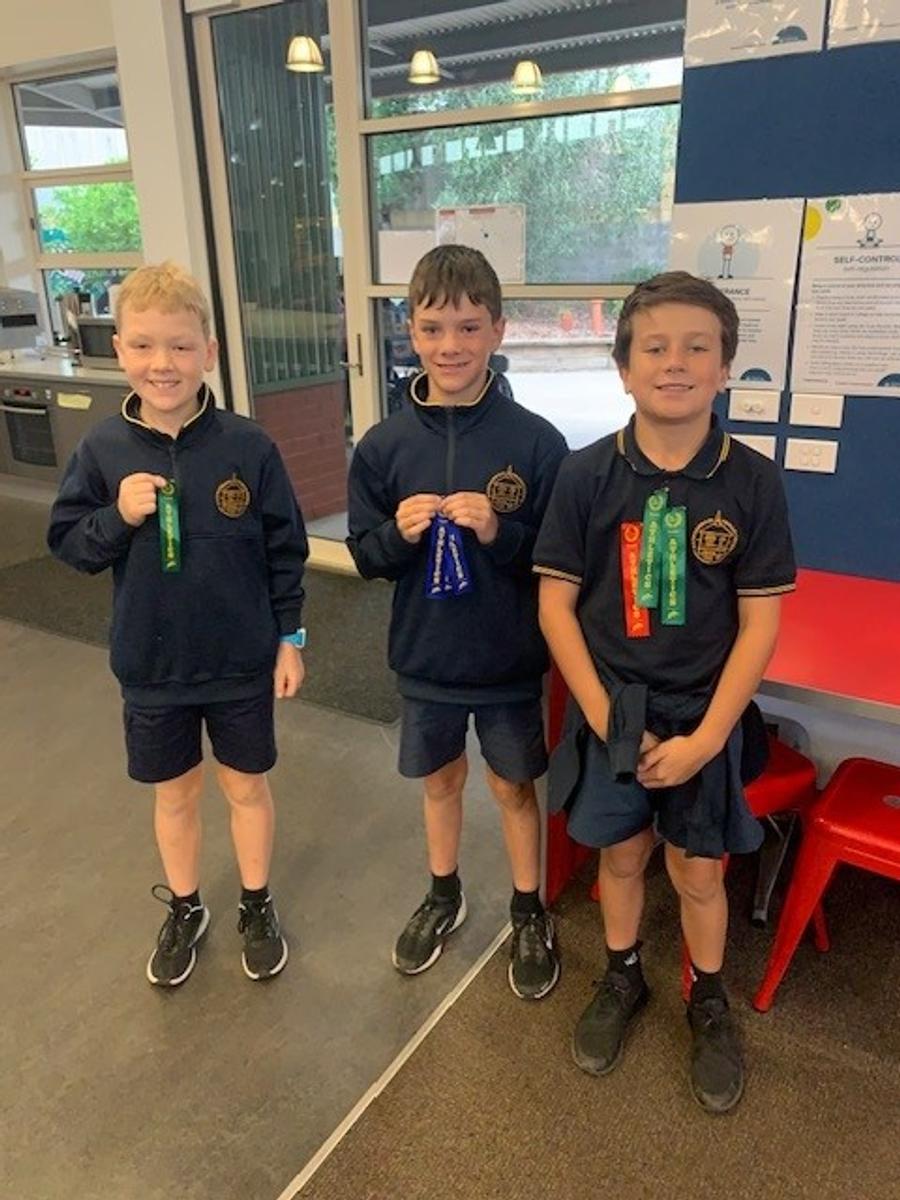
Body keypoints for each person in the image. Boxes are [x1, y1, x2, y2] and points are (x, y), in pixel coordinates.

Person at [534, 270, 795, 1112]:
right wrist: (607, 717)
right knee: (619, 855)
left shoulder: (752, 482)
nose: (675, 362)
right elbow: (555, 607)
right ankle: (622, 974)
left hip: (702, 717)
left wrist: (707, 739)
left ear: (725, 368)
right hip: (613, 706)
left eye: (696, 347)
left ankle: (707, 997)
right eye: (654, 347)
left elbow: (759, 624)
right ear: (624, 368)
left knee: (698, 868)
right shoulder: (585, 475)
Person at [48, 262, 309, 988]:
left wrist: (290, 638)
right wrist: (116, 516)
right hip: (152, 665)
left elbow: (285, 548)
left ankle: (256, 902)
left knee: (247, 787)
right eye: (142, 345)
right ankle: (187, 906)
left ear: (209, 353)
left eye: (180, 346)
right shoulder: (102, 450)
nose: (162, 363)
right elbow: (69, 544)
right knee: (175, 794)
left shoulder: (248, 446)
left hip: (240, 660)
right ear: (119, 350)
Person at [347, 244, 568, 999]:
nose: (451, 346)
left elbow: (559, 562)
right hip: (427, 659)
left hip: (507, 658)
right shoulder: (382, 446)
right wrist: (396, 535)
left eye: (470, 328)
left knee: (513, 787)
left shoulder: (536, 442)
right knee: (441, 781)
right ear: (411, 330)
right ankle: (444, 894)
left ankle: (528, 908)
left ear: (499, 331)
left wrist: (499, 533)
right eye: (434, 328)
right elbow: (363, 557)